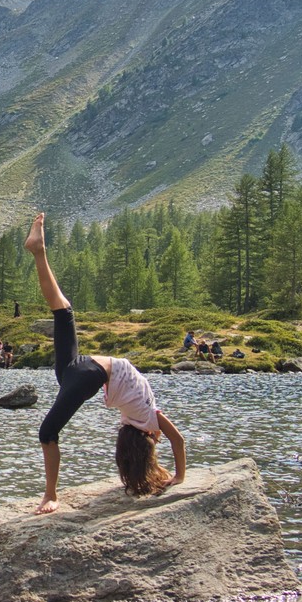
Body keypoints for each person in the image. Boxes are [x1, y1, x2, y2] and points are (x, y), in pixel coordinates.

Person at [25, 213, 186, 515]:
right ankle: (50, 496)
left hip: (87, 369)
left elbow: (177, 441)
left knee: (63, 311)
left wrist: (170, 472)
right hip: (89, 374)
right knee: (47, 433)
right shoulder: (144, 420)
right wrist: (178, 478)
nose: (160, 438)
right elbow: (177, 441)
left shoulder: (141, 419)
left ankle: (39, 251)